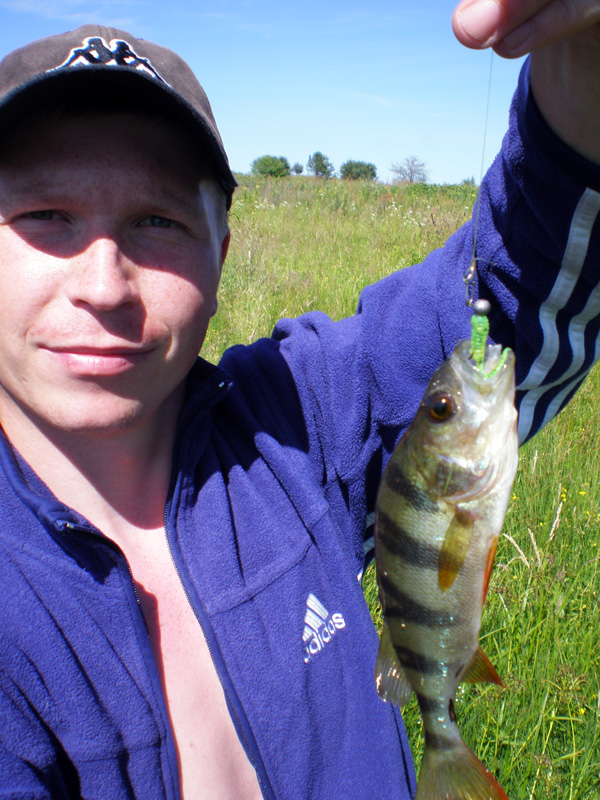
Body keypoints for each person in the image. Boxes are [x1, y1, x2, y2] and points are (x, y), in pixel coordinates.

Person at [0, 1, 599, 798]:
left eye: (157, 220)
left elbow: (512, 284)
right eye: (46, 217)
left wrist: (584, 56)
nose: (104, 286)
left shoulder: (292, 417)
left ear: (220, 252)